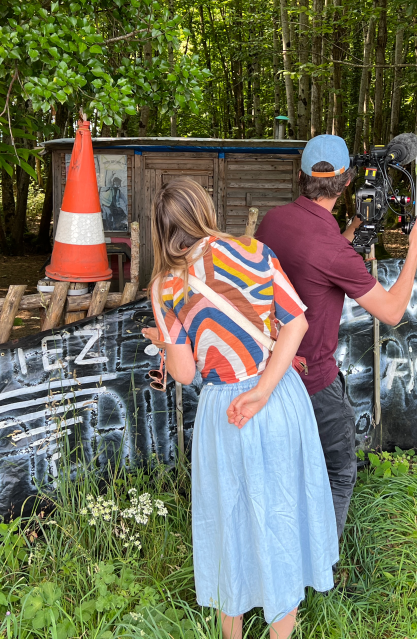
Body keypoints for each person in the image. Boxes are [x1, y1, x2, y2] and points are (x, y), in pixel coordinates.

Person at [141, 178, 338, 639]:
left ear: (161, 229)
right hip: (280, 398)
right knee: (284, 514)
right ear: (204, 209)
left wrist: (167, 344)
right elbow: (295, 323)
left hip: (224, 412)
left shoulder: (165, 287)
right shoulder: (255, 252)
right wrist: (265, 389)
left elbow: (186, 373)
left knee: (229, 518)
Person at [256, 134, 417, 543]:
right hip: (313, 381)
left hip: (268, 372)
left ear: (302, 177)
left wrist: (352, 230)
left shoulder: (272, 222)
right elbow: (390, 311)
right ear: (347, 182)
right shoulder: (335, 252)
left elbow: (309, 259)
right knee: (338, 470)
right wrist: (413, 251)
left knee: (283, 471)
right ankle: (319, 567)